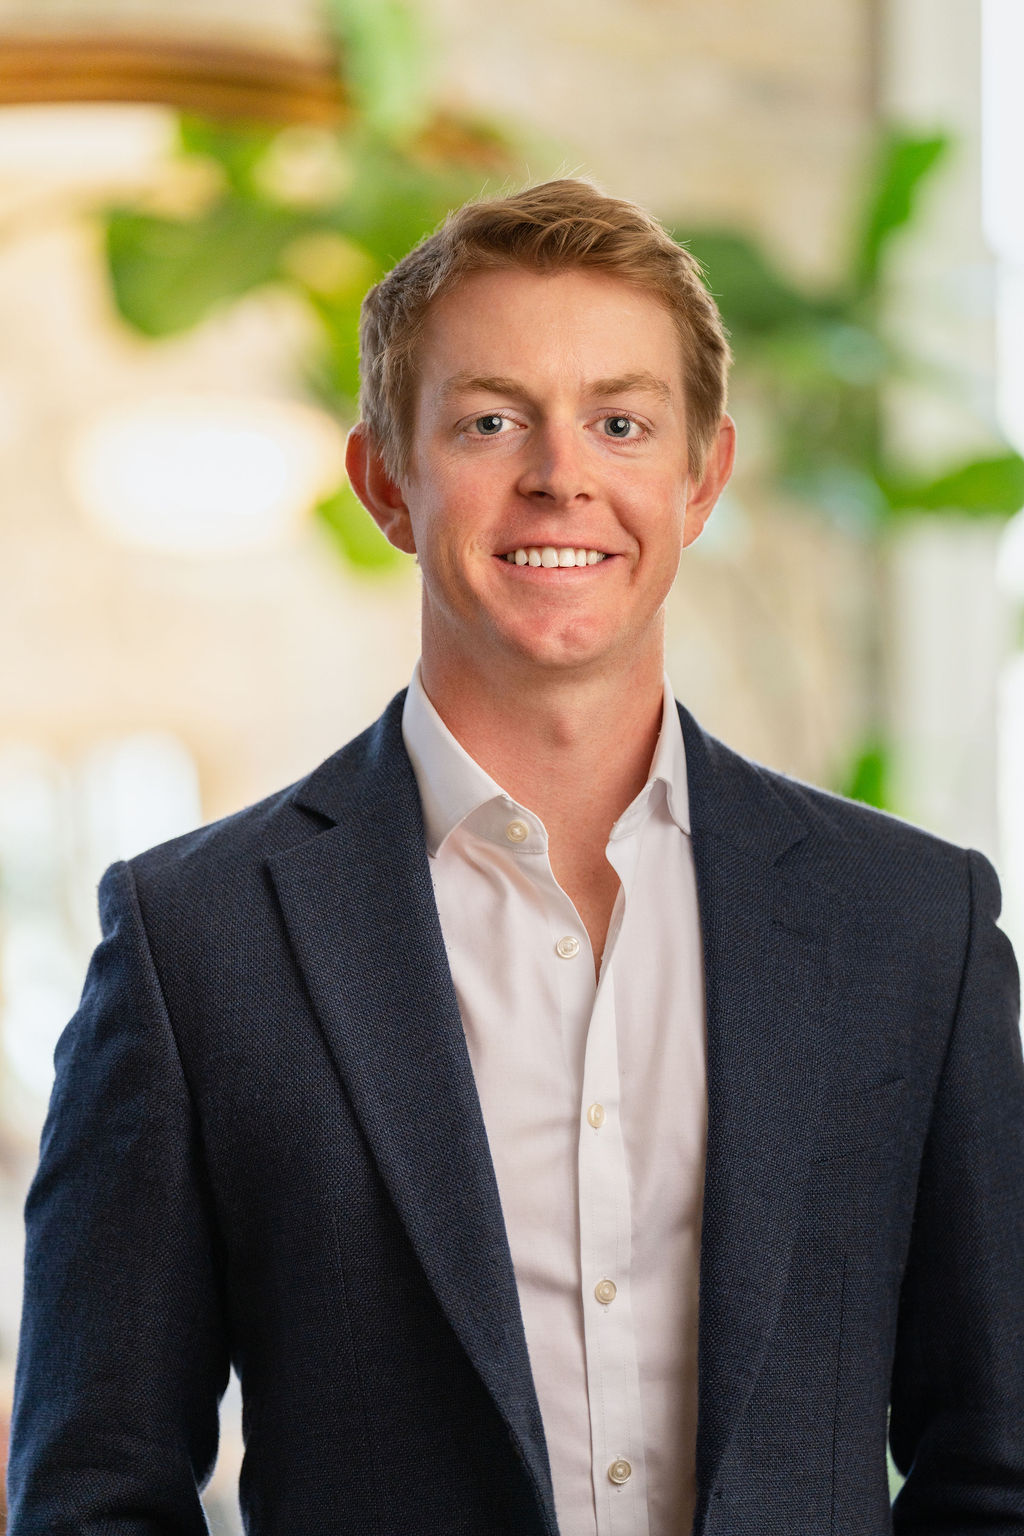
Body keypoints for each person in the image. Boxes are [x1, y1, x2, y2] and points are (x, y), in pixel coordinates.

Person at [7, 179, 1024, 1536]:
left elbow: (1000, 1467)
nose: (563, 473)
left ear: (700, 477)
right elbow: (94, 1490)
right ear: (385, 481)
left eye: (621, 422)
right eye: (492, 422)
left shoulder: (913, 924)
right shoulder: (196, 940)